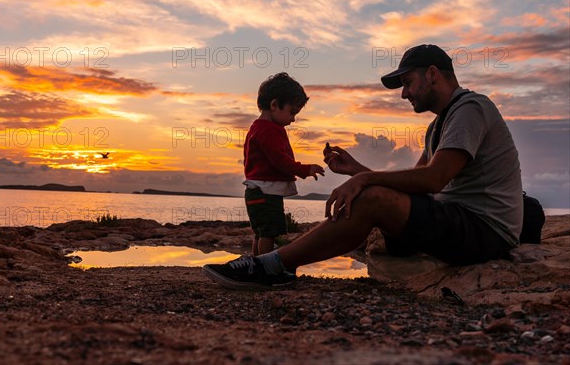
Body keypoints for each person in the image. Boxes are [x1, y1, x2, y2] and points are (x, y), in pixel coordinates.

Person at [203, 44, 523, 289]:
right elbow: (417, 183)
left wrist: (365, 181)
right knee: (373, 195)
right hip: (459, 223)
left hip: (482, 231)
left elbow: (434, 179)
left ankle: (271, 267)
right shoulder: (439, 125)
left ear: (433, 74)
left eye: (408, 83)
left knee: (371, 197)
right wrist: (357, 170)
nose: (404, 94)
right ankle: (274, 264)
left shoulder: (470, 108)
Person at [240, 72, 325, 257]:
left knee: (261, 233)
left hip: (256, 191)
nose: (293, 119)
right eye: (292, 112)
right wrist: (305, 169)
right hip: (266, 193)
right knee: (269, 234)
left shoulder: (256, 127)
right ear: (274, 105)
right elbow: (279, 160)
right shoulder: (270, 130)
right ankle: (265, 267)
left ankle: (256, 264)